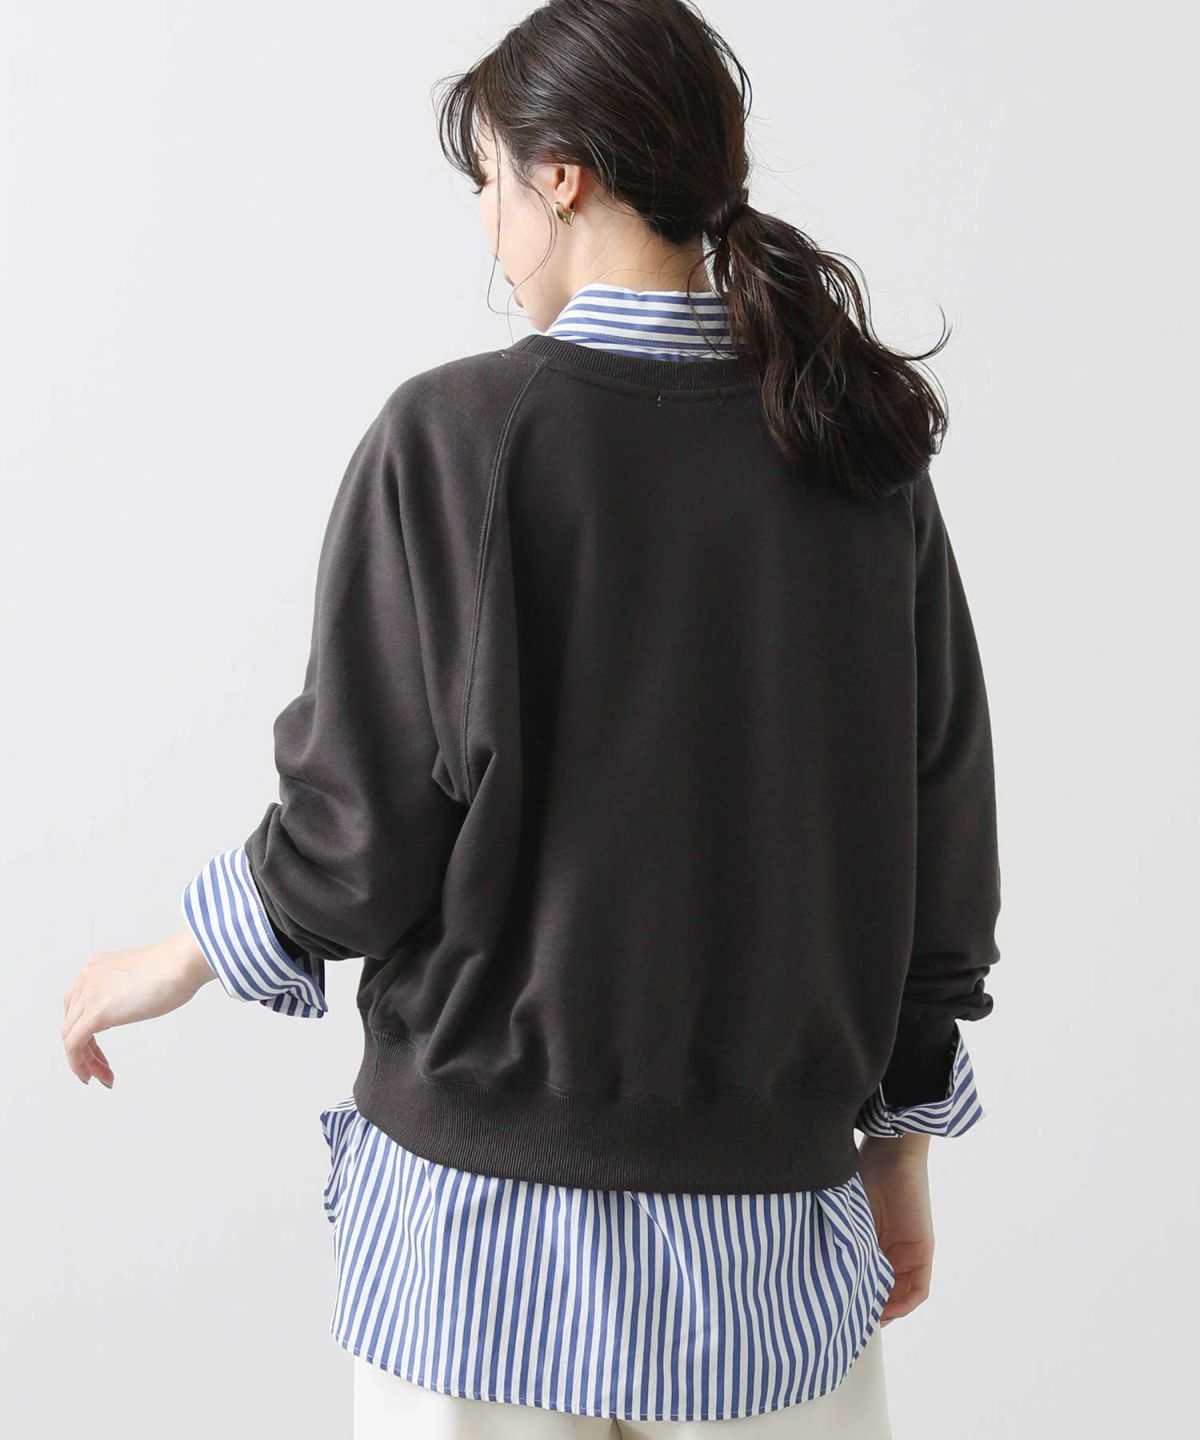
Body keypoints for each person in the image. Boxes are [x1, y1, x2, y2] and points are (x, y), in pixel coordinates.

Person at [60, 2, 1001, 1436]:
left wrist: (174, 958)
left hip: (475, 1244)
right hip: (767, 1246)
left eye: (488, 178)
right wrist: (903, 1145)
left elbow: (358, 835)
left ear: (561, 176)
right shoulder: (856, 456)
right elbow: (939, 834)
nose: (487, 225)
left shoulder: (456, 437)